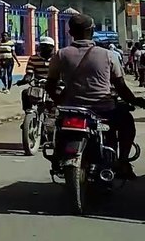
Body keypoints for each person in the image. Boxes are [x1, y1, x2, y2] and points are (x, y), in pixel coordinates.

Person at [45, 13, 145, 178]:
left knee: (59, 127)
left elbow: (50, 85)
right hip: (103, 110)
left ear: (70, 33)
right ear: (92, 31)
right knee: (126, 120)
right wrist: (136, 101)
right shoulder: (108, 55)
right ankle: (123, 162)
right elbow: (120, 86)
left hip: (71, 109)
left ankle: (57, 157)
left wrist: (60, 101)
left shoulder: (60, 55)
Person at [17, 36, 56, 112]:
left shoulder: (57, 58)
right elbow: (29, 73)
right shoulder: (33, 58)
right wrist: (25, 80)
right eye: (43, 46)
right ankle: (28, 113)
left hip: (54, 86)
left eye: (48, 46)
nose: (45, 48)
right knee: (25, 93)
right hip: (38, 86)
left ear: (52, 47)